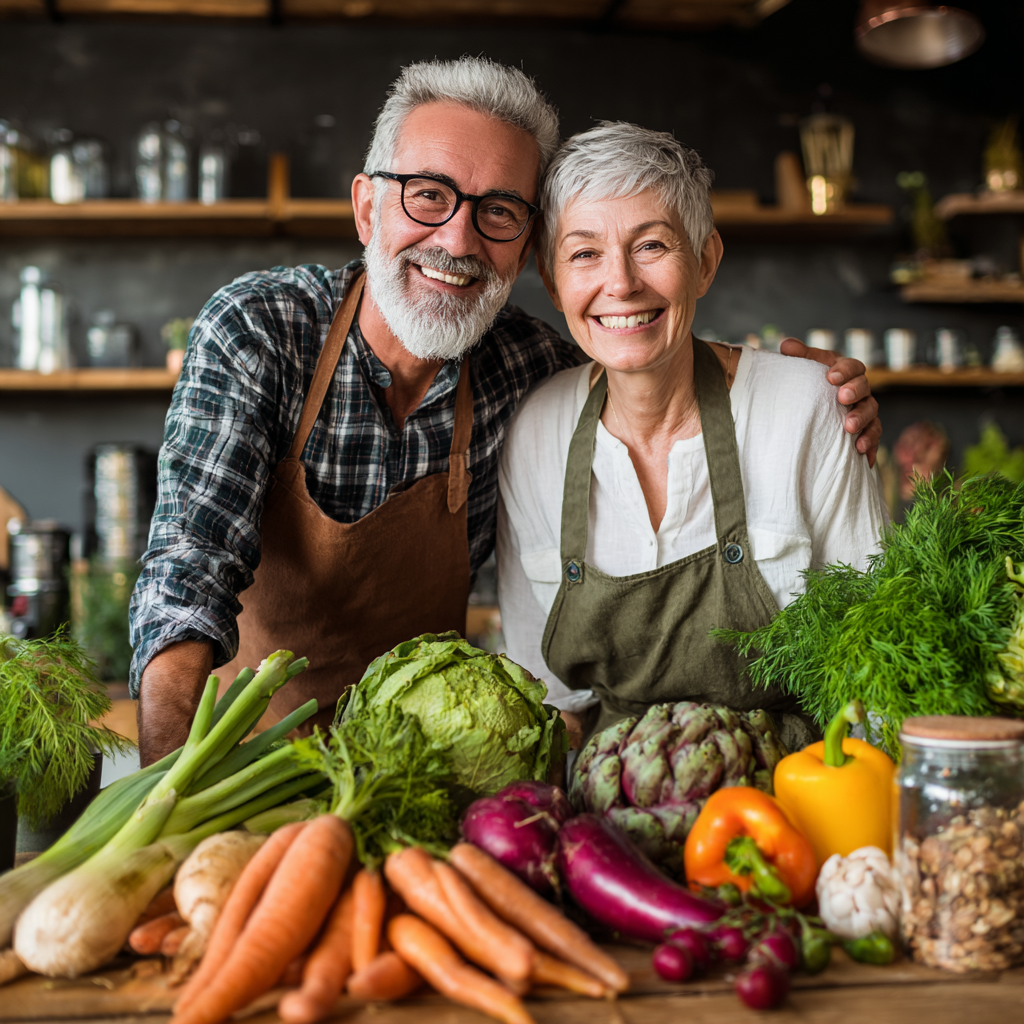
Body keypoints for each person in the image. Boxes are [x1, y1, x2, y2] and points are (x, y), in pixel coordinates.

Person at [131, 58, 881, 766]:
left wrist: (799, 389)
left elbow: (636, 338)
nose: (457, 239)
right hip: (241, 767)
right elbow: (186, 580)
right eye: (428, 194)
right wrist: (168, 801)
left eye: (497, 212)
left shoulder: (528, 370)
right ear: (366, 208)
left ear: (526, 252)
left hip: (418, 770)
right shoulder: (261, 331)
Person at [496, 123, 888, 754]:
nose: (619, 284)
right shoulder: (535, 432)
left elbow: (880, 666)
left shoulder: (806, 409)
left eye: (651, 245)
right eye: (584, 253)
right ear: (550, 276)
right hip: (614, 802)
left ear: (705, 261)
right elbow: (549, 703)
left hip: (794, 799)